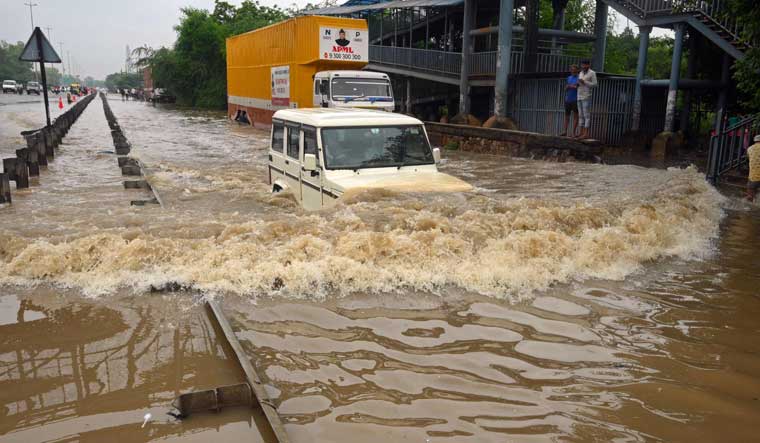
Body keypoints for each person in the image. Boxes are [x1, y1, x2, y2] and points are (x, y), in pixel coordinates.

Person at [576, 59, 598, 140]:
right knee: (580, 115)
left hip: (586, 96)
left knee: (586, 115)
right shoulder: (580, 73)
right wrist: (578, 83)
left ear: (589, 65)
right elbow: (579, 83)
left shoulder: (592, 73)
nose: (583, 66)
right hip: (579, 95)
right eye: (582, 65)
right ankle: (580, 132)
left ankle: (586, 134)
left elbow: (595, 85)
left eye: (585, 65)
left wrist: (585, 82)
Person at [561, 64, 579, 137]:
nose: (573, 71)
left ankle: (573, 133)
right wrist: (568, 87)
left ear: (577, 70)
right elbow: (566, 88)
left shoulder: (579, 78)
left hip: (576, 99)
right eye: (572, 70)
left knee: (575, 116)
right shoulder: (569, 78)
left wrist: (570, 86)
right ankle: (565, 131)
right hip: (568, 99)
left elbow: (577, 87)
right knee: (566, 116)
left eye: (574, 70)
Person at [747, 134, 760, 202]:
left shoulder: (749, 149)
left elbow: (749, 158)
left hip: (753, 176)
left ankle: (750, 201)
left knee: (750, 192)